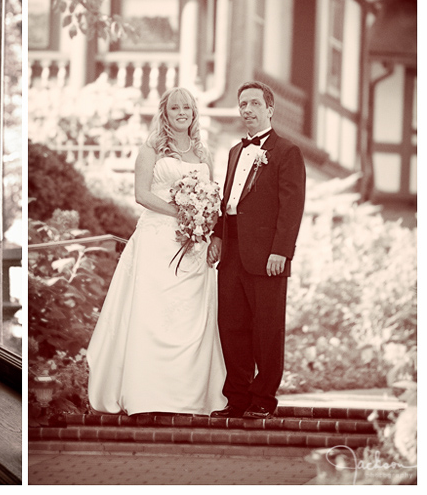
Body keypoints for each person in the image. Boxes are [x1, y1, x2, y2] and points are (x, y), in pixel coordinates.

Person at [86, 87, 227, 415]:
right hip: (157, 240)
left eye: (187, 108)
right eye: (175, 108)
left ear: (194, 114)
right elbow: (141, 194)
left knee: (192, 317)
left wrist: (205, 221)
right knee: (152, 314)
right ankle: (146, 394)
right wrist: (183, 213)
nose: (182, 113)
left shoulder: (203, 152)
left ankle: (189, 395)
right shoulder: (151, 148)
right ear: (165, 112)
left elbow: (213, 196)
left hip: (195, 244)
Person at [208, 81, 306, 419]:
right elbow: (228, 202)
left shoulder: (287, 151)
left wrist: (282, 251)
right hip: (232, 251)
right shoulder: (235, 151)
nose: (246, 110)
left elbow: (292, 207)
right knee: (231, 324)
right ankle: (237, 398)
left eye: (253, 104)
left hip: (267, 257)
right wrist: (218, 238)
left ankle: (263, 398)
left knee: (266, 327)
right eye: (242, 104)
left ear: (269, 109)